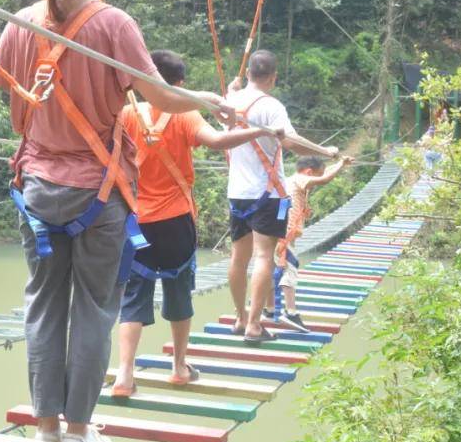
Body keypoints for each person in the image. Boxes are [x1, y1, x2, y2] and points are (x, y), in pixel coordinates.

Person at [0, 0, 233, 442]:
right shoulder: (113, 24)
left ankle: (44, 433)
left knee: (45, 307)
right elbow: (160, 97)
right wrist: (209, 98)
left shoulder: (19, 23)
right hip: (99, 195)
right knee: (94, 308)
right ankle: (77, 432)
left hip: (38, 193)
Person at [111, 50, 278, 396]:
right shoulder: (184, 115)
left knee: (133, 297)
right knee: (178, 290)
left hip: (135, 222)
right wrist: (258, 132)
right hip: (175, 221)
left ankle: (125, 376)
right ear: (181, 85)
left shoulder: (126, 113)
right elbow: (217, 141)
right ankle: (178, 367)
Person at [224, 50, 339, 341]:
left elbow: (228, 115)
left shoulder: (230, 102)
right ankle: (253, 325)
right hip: (269, 194)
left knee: (239, 258)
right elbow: (291, 143)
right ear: (273, 78)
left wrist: (230, 91)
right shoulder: (271, 106)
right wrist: (325, 151)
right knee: (264, 256)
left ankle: (239, 318)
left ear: (248, 73)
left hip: (237, 194)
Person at [265, 155, 354, 327]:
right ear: (308, 172)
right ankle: (290, 313)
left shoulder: (291, 180)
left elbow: (323, 173)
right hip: (285, 234)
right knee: (290, 269)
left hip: (278, 231)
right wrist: (341, 164)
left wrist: (339, 165)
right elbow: (324, 179)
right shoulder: (300, 179)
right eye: (316, 175)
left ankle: (269, 309)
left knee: (272, 270)